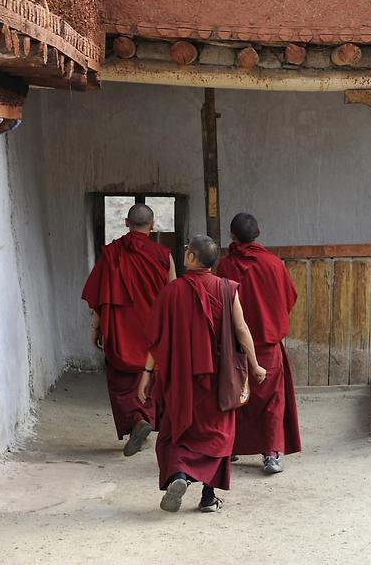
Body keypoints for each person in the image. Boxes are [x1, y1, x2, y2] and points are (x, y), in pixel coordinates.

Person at [139, 234, 266, 513]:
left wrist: (147, 373)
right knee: (218, 434)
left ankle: (180, 475)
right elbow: (242, 329)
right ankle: (208, 497)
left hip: (181, 377)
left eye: (187, 251)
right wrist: (255, 365)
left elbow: (157, 339)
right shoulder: (227, 288)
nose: (185, 253)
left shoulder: (172, 291)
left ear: (192, 258)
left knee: (177, 431)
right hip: (220, 378)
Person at [81, 203, 176, 456]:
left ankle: (137, 424)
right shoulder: (164, 255)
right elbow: (173, 294)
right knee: (149, 376)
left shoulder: (112, 253)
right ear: (153, 225)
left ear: (125, 222)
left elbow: (100, 295)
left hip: (121, 330)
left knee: (121, 380)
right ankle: (143, 422)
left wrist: (95, 327)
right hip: (152, 330)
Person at [216, 213, 302, 474]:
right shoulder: (274, 264)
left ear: (231, 235)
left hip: (235, 346)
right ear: (259, 233)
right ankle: (271, 454)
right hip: (267, 345)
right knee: (271, 400)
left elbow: (218, 307)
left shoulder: (225, 267)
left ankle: (230, 448)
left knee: (236, 396)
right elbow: (289, 299)